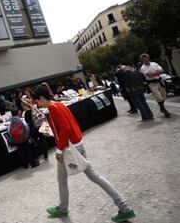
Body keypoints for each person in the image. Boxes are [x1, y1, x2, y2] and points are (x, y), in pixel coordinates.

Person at [34, 86, 136, 222]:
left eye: (38, 102)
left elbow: (65, 128)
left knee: (70, 179)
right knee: (83, 177)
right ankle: (123, 207)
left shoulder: (52, 108)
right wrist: (54, 135)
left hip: (69, 148)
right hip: (76, 144)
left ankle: (123, 207)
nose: (39, 105)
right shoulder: (59, 105)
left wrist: (59, 150)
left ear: (41, 98)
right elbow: (66, 127)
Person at [139, 54, 171, 118]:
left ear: (148, 58)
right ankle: (164, 110)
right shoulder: (143, 68)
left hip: (159, 81)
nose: (145, 60)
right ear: (142, 60)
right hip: (151, 83)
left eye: (146, 58)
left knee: (164, 95)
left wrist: (154, 73)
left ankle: (161, 108)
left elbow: (162, 71)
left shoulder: (154, 64)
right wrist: (157, 72)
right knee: (158, 97)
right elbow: (149, 75)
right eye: (143, 59)